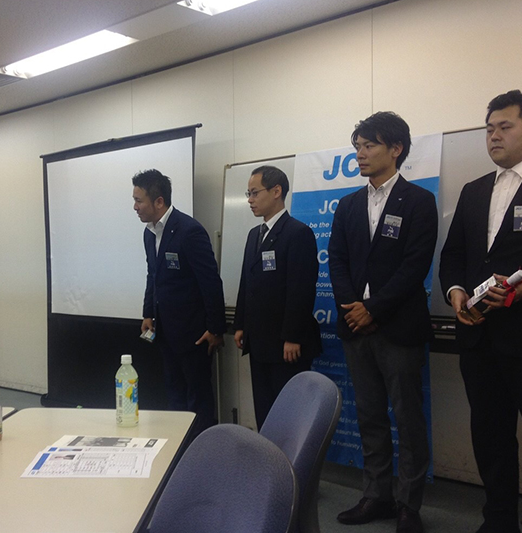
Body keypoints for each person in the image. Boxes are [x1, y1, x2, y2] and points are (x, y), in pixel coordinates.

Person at [439, 90, 522, 533]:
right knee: (490, 436)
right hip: (479, 336)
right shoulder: (474, 190)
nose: (494, 136)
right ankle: (498, 520)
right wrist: (455, 292)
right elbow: (454, 255)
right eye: (489, 129)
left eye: (505, 127)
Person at [329, 112, 437, 533]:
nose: (360, 154)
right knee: (370, 415)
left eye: (369, 145)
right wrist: (352, 307)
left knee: (408, 419)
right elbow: (337, 260)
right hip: (355, 328)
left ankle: (409, 504)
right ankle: (376, 495)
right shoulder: (348, 205)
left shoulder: (419, 201)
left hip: (398, 328)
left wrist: (373, 309)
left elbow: (415, 266)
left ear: (395, 149)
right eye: (357, 146)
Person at [133, 169, 226, 434]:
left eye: (139, 200)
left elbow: (210, 282)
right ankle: (181, 447)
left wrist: (216, 329)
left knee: (198, 399)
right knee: (175, 396)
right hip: (166, 332)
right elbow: (153, 276)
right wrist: (148, 313)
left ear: (159, 201)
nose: (135, 207)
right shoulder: (149, 233)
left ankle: (202, 450)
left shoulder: (189, 231)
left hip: (194, 335)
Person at [233, 165, 321, 429]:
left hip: (286, 345)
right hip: (258, 340)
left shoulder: (297, 233)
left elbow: (301, 289)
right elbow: (246, 282)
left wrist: (292, 336)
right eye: (248, 194)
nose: (250, 200)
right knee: (265, 412)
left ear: (276, 191)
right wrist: (240, 324)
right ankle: (267, 454)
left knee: (289, 417)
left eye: (254, 193)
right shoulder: (254, 234)